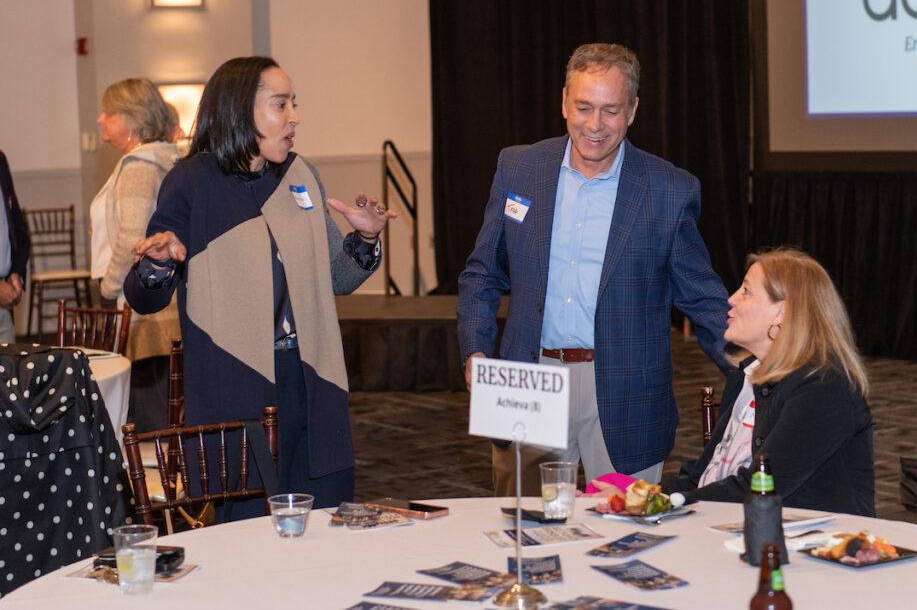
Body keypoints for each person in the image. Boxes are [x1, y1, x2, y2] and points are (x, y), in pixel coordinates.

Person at [123, 56, 395, 515]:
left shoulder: (299, 173)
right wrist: (158, 263)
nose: (295, 117)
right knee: (246, 533)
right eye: (281, 105)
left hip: (312, 379)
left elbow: (337, 278)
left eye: (294, 104)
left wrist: (365, 238)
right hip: (236, 388)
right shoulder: (192, 182)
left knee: (326, 523)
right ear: (238, 110)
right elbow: (144, 297)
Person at [458, 43, 730, 495]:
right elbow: (482, 273)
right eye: (583, 107)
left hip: (625, 392)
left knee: (624, 546)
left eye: (610, 110)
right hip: (530, 379)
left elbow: (702, 298)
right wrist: (475, 350)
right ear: (564, 101)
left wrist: (759, 372)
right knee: (531, 540)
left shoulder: (669, 190)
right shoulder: (519, 169)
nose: (595, 125)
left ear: (633, 110)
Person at [656, 248, 875, 515]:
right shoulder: (746, 375)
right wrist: (638, 493)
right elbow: (703, 474)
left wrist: (665, 503)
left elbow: (761, 486)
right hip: (731, 524)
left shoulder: (824, 388)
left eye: (746, 291)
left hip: (804, 544)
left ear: (782, 312)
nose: (731, 300)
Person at [90, 78, 181, 431]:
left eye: (109, 113)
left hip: (144, 311)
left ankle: (156, 488)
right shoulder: (154, 159)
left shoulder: (140, 166)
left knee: (148, 424)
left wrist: (108, 288)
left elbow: (133, 238)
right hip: (157, 303)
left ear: (132, 118)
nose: (100, 119)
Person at [0, 150, 28, 343]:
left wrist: (16, 272)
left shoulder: (0, 160)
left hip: (5, 304)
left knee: (9, 371)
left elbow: (17, 226)